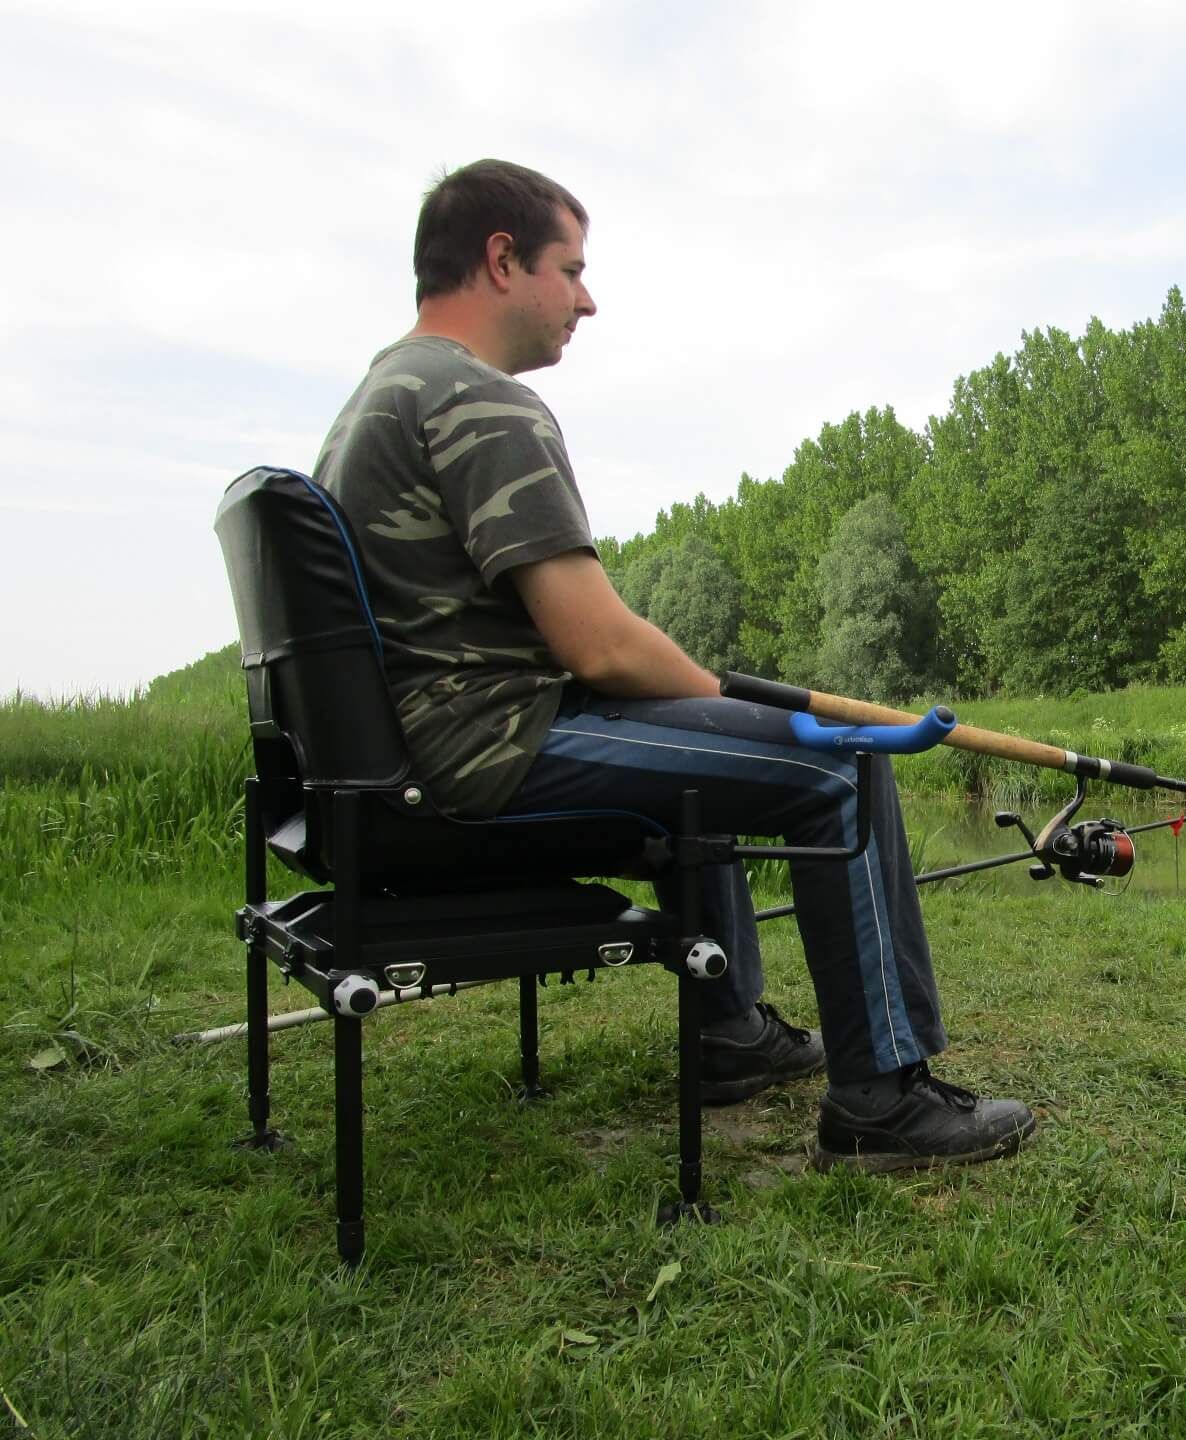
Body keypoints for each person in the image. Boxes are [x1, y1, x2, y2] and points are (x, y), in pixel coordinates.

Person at [311, 159, 1033, 1172]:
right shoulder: (480, 403)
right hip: (487, 751)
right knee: (843, 766)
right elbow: (597, 644)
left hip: (421, 754)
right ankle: (881, 1101)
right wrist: (718, 695)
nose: (587, 300)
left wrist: (709, 710)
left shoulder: (380, 393)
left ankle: (728, 1033)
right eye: (572, 269)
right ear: (503, 259)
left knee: (719, 757)